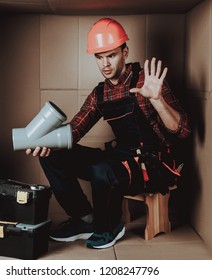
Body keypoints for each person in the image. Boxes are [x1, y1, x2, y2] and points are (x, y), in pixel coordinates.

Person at [26, 18, 190, 249]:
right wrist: (47, 143)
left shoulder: (147, 81)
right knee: (53, 155)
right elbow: (74, 131)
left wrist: (158, 100)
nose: (105, 63)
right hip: (120, 158)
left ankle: (109, 227)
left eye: (111, 55)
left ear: (125, 51)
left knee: (101, 169)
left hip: (154, 164)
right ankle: (85, 219)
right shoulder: (99, 94)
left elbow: (183, 131)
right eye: (99, 57)